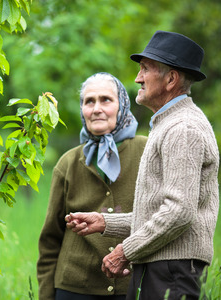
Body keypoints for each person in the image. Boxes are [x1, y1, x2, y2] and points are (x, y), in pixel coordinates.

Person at [65, 31, 220, 300]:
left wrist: (124, 251)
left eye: (145, 69)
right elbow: (160, 212)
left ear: (170, 79)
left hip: (173, 269)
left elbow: (178, 212)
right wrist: (105, 222)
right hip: (164, 265)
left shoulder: (182, 128)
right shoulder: (169, 124)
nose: (137, 78)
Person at [37, 72, 148, 300]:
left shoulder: (147, 150)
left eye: (106, 99)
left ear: (122, 106)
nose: (96, 108)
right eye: (89, 101)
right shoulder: (68, 163)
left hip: (133, 284)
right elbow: (50, 239)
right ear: (82, 110)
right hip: (74, 288)